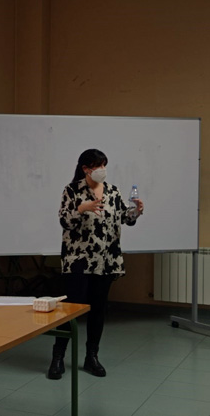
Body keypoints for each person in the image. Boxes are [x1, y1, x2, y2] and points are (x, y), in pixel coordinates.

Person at [47, 149, 144, 380]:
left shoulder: (112, 191)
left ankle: (92, 357)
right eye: (98, 165)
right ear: (86, 168)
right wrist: (82, 208)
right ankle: (58, 357)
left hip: (106, 261)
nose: (102, 170)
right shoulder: (71, 190)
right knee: (70, 310)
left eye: (104, 165)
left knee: (98, 310)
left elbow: (123, 218)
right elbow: (64, 221)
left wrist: (136, 212)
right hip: (78, 261)